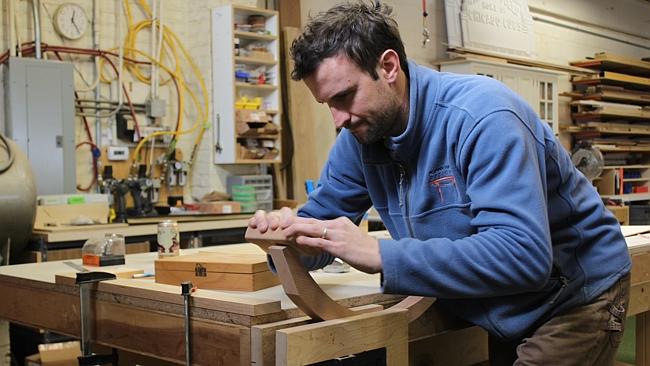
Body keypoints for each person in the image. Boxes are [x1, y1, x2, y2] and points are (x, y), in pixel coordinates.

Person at [248, 2, 631, 364]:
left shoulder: (483, 117)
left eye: (345, 96)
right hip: (497, 304)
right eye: (327, 104)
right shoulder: (360, 137)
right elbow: (319, 231)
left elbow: (523, 257)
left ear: (389, 67)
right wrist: (285, 241)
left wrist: (381, 255)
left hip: (571, 298)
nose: (337, 119)